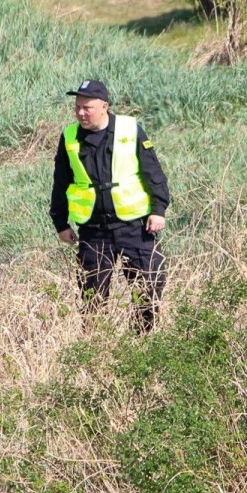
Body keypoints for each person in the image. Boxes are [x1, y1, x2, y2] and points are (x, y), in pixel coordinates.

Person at [49, 80, 170, 333]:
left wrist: (158, 210)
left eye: (87, 107)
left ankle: (139, 341)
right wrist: (60, 223)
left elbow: (153, 172)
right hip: (93, 232)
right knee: (92, 298)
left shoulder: (130, 129)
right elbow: (61, 182)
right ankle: (97, 346)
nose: (81, 113)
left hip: (134, 228)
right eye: (77, 107)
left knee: (149, 288)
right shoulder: (69, 137)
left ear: (104, 106)